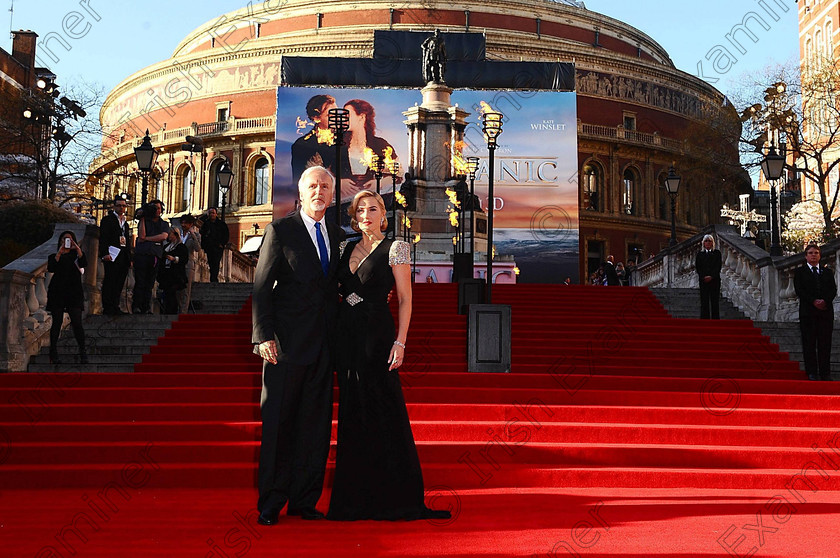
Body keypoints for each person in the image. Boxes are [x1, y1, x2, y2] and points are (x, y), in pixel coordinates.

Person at [327, 190, 450, 521]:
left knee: (384, 410)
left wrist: (401, 342)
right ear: (354, 215)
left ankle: (396, 499)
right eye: (361, 209)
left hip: (377, 336)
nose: (367, 214)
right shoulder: (343, 248)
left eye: (374, 208)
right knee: (352, 413)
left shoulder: (396, 248)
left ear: (384, 214)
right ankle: (353, 501)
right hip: (346, 336)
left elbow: (406, 298)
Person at [251, 166, 346, 525]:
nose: (319, 191)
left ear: (332, 194)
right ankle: (272, 501)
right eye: (312, 185)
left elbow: (340, 286)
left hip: (324, 347)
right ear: (301, 192)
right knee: (279, 423)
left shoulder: (338, 235)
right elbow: (261, 288)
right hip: (285, 347)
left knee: (315, 426)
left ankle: (306, 500)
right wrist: (262, 336)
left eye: (325, 186)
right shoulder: (281, 230)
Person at [794, 243, 837, 381]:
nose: (814, 255)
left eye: (816, 253)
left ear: (820, 255)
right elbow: (799, 290)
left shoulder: (827, 272)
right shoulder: (800, 272)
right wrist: (813, 301)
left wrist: (825, 301)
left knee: (825, 343)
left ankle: (825, 372)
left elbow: (833, 290)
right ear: (806, 256)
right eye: (811, 253)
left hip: (825, 313)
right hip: (808, 313)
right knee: (809, 343)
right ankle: (811, 371)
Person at [342, 99, 399, 200]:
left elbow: (397, 175)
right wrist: (337, 182)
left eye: (348, 115)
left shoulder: (381, 145)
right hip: (344, 201)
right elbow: (323, 173)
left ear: (362, 117)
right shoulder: (339, 146)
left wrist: (380, 182)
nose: (344, 119)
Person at [47, 231, 88, 364]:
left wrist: (77, 249)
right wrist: (59, 253)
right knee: (57, 322)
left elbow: (84, 264)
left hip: (74, 291)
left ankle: (83, 351)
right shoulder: (54, 256)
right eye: (65, 239)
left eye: (70, 239)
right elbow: (51, 268)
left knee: (77, 323)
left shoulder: (77, 256)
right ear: (60, 241)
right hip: (58, 291)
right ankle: (53, 352)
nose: (67, 241)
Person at [291, 94, 338, 185]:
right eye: (331, 115)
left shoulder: (346, 140)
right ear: (316, 118)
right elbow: (298, 182)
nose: (335, 118)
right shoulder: (302, 145)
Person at [133, 200, 169, 314]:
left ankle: (146, 306)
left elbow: (163, 236)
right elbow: (141, 235)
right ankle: (137, 305)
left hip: (154, 255)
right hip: (142, 254)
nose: (157, 211)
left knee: (150, 282)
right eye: (155, 208)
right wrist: (142, 217)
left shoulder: (163, 223)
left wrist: (147, 239)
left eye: (159, 208)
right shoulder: (145, 221)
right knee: (140, 281)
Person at [99, 196, 132, 315]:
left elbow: (127, 241)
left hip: (123, 255)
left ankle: (116, 305)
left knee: (119, 282)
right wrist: (104, 253)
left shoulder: (125, 223)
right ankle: (107, 307)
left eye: (123, 206)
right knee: (110, 280)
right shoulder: (107, 220)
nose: (121, 208)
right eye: (119, 205)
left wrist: (129, 257)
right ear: (114, 206)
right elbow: (103, 238)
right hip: (112, 254)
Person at [157, 228, 189, 315]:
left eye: (170, 234)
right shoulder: (166, 247)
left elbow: (184, 259)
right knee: (167, 294)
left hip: (176, 275)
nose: (169, 236)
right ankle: (167, 311)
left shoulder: (181, 247)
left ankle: (172, 311)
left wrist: (174, 259)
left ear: (175, 235)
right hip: (167, 274)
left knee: (173, 294)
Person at [177, 215, 202, 312]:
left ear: (190, 224)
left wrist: (193, 236)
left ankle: (183, 311)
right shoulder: (177, 234)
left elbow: (197, 249)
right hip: (177, 263)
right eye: (182, 223)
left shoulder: (196, 235)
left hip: (188, 264)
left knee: (186, 289)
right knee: (177, 288)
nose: (183, 225)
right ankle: (178, 307)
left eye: (185, 223)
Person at [695, 234, 722, 319]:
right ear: (703, 243)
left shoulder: (717, 253)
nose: (707, 243)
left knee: (715, 300)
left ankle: (715, 319)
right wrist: (704, 277)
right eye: (706, 241)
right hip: (703, 281)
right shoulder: (700, 254)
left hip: (714, 280)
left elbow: (718, 266)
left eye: (709, 241)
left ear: (712, 243)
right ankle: (704, 318)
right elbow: (698, 267)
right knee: (704, 300)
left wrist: (711, 276)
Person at [200, 208, 229, 282]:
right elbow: (202, 233)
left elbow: (226, 235)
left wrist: (222, 244)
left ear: (216, 214)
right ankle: (213, 278)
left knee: (216, 262)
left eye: (213, 213)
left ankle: (214, 278)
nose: (212, 215)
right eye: (210, 213)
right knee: (211, 262)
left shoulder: (221, 224)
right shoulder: (206, 224)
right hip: (209, 247)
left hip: (218, 247)